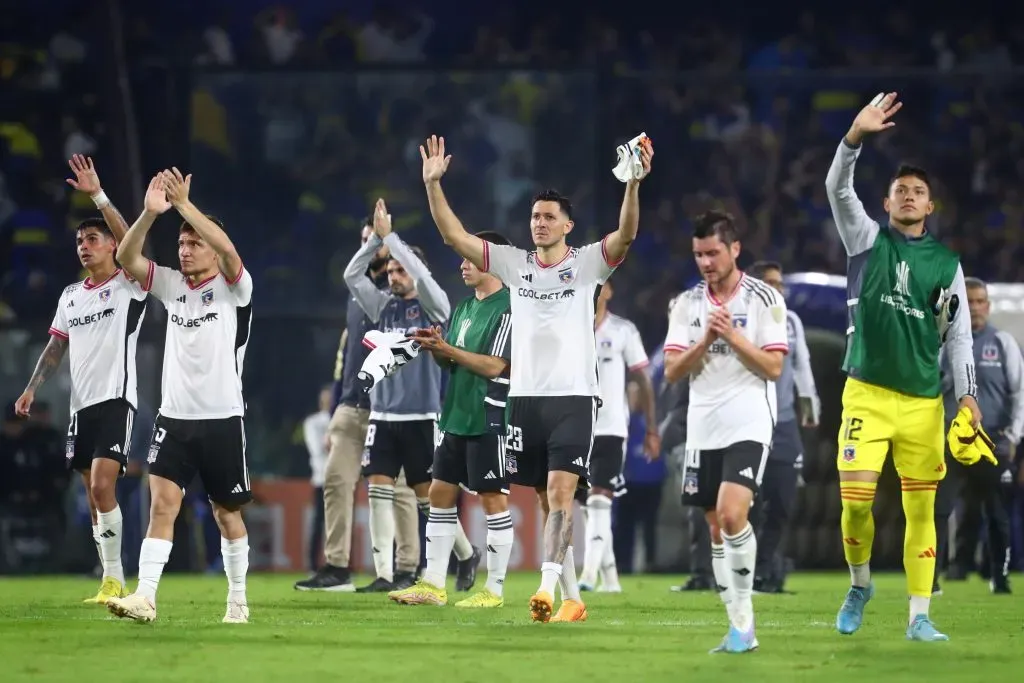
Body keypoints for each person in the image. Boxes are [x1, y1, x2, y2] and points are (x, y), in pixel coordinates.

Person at [420, 133, 653, 623]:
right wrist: (433, 185)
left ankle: (546, 587)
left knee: (562, 492)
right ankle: (573, 598)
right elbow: (454, 237)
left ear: (567, 225)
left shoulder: (587, 263)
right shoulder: (514, 264)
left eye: (549, 217)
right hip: (523, 400)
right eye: (534, 217)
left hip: (573, 397)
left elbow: (626, 235)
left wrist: (632, 185)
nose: (540, 223)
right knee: (547, 501)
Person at [824, 92, 981, 642]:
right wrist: (855, 137)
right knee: (854, 509)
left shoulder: (947, 264)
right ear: (887, 204)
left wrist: (967, 396)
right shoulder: (865, 240)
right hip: (866, 394)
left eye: (919, 192)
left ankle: (918, 616)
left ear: (930, 207)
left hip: (921, 404)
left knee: (922, 513)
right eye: (900, 191)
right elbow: (836, 189)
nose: (909, 197)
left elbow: (959, 336)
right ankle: (860, 583)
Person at [106, 169, 254, 624]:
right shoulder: (171, 285)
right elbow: (126, 256)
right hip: (174, 419)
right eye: (182, 244)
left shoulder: (235, 287)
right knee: (162, 506)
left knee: (226, 514)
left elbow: (230, 251)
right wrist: (151, 215)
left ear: (211, 248)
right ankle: (145, 597)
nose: (185, 251)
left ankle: (237, 600)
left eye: (194, 244)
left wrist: (186, 207)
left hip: (223, 418)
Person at [14, 155, 143, 604]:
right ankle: (108, 580)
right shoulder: (71, 296)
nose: (84, 247)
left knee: (103, 486)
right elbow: (55, 346)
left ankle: (117, 578)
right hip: (80, 406)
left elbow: (133, 241)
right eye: (79, 241)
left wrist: (98, 196)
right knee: (92, 494)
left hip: (116, 399)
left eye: (92, 239)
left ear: (111, 246)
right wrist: (32, 387)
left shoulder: (129, 282)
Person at [662, 210, 789, 653]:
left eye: (713, 252)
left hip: (749, 419)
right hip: (703, 425)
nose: (705, 262)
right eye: (698, 254)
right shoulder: (686, 304)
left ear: (735, 249)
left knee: (734, 515)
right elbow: (673, 371)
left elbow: (774, 367)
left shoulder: (764, 299)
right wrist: (704, 341)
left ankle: (743, 625)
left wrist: (733, 338)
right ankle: (739, 628)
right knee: (717, 530)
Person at [343, 198, 478, 593]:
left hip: (422, 417)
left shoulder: (434, 309)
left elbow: (426, 280)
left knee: (427, 497)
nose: (394, 276)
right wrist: (377, 244)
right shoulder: (382, 306)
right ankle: (385, 575)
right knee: (378, 489)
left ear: (415, 272)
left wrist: (394, 241)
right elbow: (352, 274)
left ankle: (467, 554)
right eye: (390, 270)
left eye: (401, 270)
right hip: (383, 416)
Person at [389, 230, 515, 608]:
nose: (462, 264)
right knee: (440, 493)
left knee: (492, 499)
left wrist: (449, 350)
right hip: (455, 415)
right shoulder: (463, 308)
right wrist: (435, 348)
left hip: (489, 416)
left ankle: (494, 589)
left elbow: (496, 365)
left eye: (469, 257)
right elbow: (451, 361)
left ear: (491, 260)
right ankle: (432, 584)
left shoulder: (509, 307)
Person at [294, 220, 420, 592]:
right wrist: (336, 408)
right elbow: (346, 357)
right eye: (364, 240)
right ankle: (336, 567)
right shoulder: (355, 291)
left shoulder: (401, 288)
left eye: (375, 241)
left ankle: (406, 567)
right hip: (352, 405)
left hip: (391, 406)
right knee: (335, 481)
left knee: (400, 490)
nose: (369, 245)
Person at [938, 277, 1022, 594]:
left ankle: (998, 577)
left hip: (992, 443)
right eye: (969, 301)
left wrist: (1013, 436)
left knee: (997, 513)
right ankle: (933, 578)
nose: (975, 308)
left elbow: (1019, 393)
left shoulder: (1002, 343)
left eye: (980, 301)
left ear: (988, 305)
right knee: (939, 509)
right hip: (952, 443)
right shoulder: (943, 345)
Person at [578, 278, 659, 592]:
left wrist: (651, 428)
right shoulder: (571, 329)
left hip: (612, 428)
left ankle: (589, 573)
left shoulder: (624, 330)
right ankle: (610, 578)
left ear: (609, 291)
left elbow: (643, 379)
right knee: (589, 506)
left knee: (599, 498)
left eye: (600, 286)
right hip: (577, 429)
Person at [747, 261, 820, 594]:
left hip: (786, 423)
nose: (778, 290)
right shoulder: (742, 319)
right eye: (771, 283)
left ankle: (764, 571)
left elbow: (802, 365)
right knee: (749, 502)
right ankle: (747, 572)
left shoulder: (791, 322)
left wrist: (811, 405)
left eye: (780, 284)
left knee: (782, 501)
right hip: (750, 421)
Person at [302, 386, 332, 572]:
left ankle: (339, 563)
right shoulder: (313, 422)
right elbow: (316, 448)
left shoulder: (342, 420)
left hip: (342, 480)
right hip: (321, 478)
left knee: (341, 523)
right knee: (318, 522)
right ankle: (313, 564)